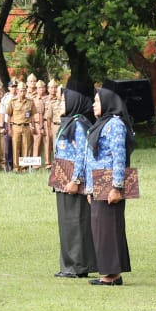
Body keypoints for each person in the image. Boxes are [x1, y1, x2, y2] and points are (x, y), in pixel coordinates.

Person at [84, 84, 136, 286]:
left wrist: (117, 187)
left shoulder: (115, 124)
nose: (93, 104)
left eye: (97, 101)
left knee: (108, 229)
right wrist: (89, 188)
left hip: (109, 185)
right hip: (98, 184)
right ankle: (110, 272)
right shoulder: (100, 124)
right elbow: (91, 158)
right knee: (100, 229)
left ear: (107, 102)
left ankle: (111, 275)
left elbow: (119, 156)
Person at [52, 86, 97, 279]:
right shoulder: (68, 122)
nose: (59, 104)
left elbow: (82, 154)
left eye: (62, 101)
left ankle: (78, 265)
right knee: (66, 223)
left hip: (73, 180)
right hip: (62, 175)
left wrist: (76, 179)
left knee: (76, 222)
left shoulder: (79, 124)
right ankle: (68, 264)